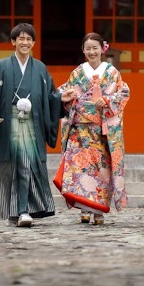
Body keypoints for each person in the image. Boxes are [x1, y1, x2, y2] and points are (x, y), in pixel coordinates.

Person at [0, 23, 74, 228]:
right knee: (15, 165)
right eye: (20, 38)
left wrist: (60, 98)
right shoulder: (1, 66)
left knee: (26, 164)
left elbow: (49, 97)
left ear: (33, 43)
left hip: (32, 123)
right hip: (9, 122)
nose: (25, 42)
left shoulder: (39, 68)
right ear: (13, 41)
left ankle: (22, 210)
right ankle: (20, 210)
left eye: (29, 39)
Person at [58, 33, 130, 225]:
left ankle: (98, 211)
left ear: (102, 49)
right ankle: (84, 209)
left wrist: (106, 101)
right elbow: (64, 93)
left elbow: (123, 93)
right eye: (87, 48)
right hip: (80, 132)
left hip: (102, 131)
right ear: (83, 50)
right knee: (81, 171)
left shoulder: (112, 72)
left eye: (95, 48)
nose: (91, 52)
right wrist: (65, 96)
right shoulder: (77, 73)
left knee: (102, 172)